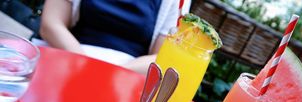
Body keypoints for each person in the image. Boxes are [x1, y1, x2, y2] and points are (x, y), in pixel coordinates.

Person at [38, 0, 191, 74]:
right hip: (71, 62)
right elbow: (51, 24)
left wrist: (114, 73)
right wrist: (87, 65)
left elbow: (164, 56)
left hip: (130, 76)